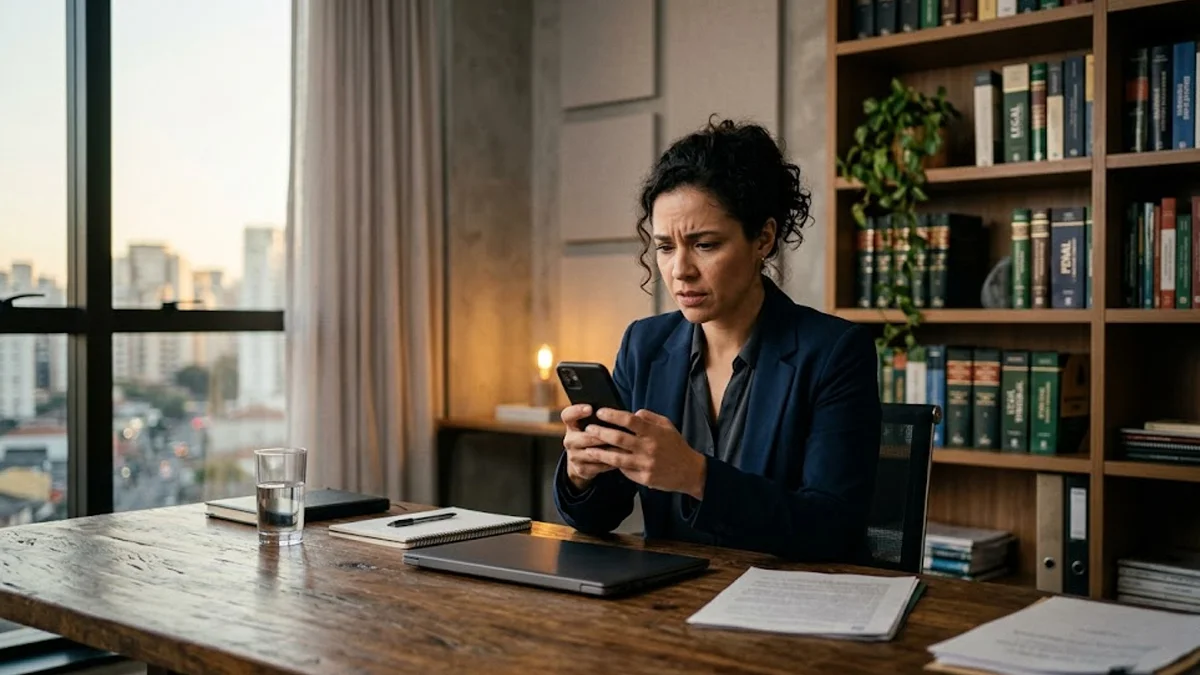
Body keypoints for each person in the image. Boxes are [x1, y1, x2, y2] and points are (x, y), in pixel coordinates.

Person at [552, 118, 882, 562]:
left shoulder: (834, 353)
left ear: (763, 238)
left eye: (705, 245)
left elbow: (833, 529)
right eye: (665, 247)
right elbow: (602, 515)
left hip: (781, 607)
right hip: (668, 603)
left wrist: (697, 476)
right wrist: (582, 475)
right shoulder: (643, 345)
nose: (679, 270)